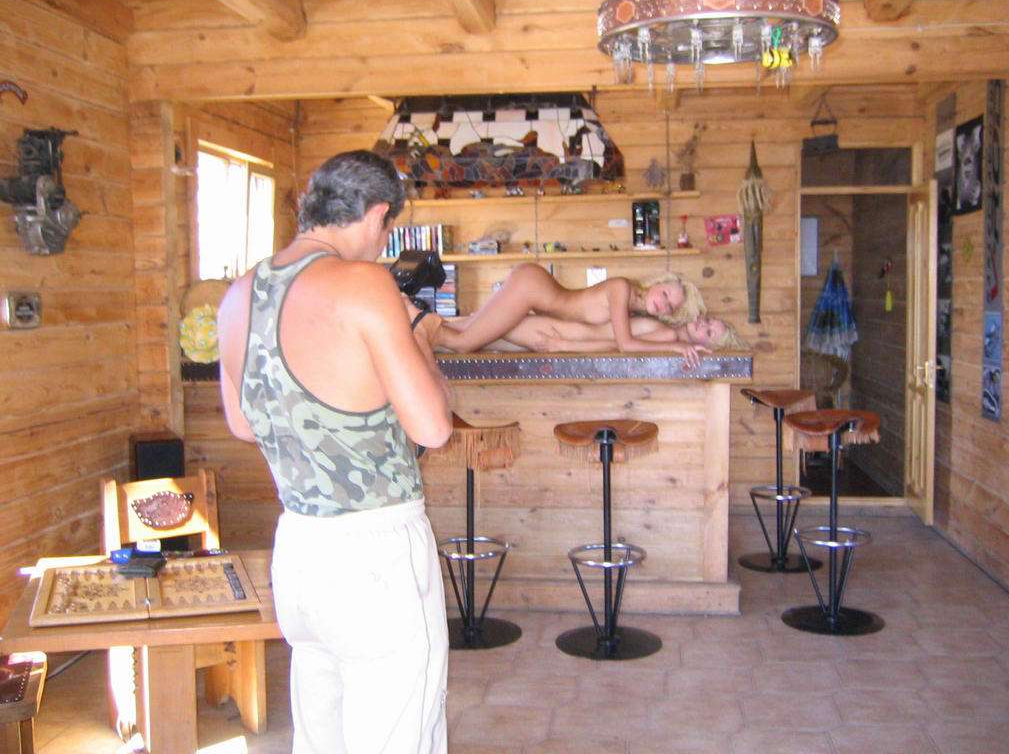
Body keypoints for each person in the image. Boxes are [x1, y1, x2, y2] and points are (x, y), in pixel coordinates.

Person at [217, 150, 452, 754]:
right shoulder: (364, 284)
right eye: (387, 228)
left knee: (322, 735)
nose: (382, 243)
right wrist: (420, 337)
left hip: (299, 548)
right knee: (398, 734)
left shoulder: (239, 293)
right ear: (376, 215)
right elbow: (433, 428)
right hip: (376, 550)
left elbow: (243, 423)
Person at [431, 265, 707, 356]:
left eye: (670, 306)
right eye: (665, 294)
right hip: (532, 288)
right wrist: (676, 347)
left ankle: (412, 323)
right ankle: (410, 325)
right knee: (463, 343)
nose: (663, 303)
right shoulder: (622, 289)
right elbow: (625, 344)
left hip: (535, 295)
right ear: (658, 283)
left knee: (459, 329)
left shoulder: (631, 309)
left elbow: (615, 342)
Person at [479, 313, 745, 356]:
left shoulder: (667, 337)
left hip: (561, 334)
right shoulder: (669, 331)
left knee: (477, 329)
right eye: (708, 321)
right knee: (478, 333)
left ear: (706, 345)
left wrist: (564, 345)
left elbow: (615, 345)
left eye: (709, 333)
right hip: (562, 332)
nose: (703, 325)